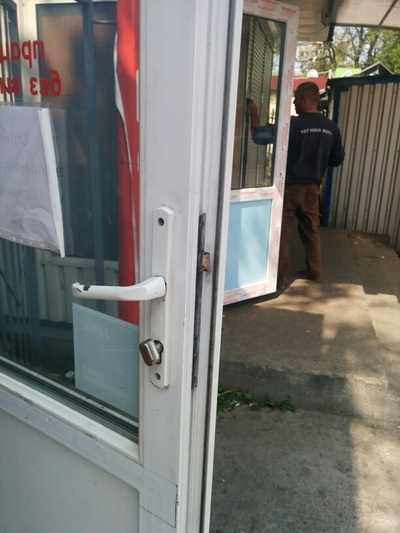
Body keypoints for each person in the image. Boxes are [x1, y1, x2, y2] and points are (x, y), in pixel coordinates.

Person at [277, 81, 345, 290]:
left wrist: (253, 117)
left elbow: (263, 138)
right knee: (311, 231)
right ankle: (315, 272)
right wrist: (318, 161)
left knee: (283, 232)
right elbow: (337, 159)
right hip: (312, 188)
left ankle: (280, 279)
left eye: (296, 98)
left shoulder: (292, 125)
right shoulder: (331, 128)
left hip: (290, 187)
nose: (294, 102)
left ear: (305, 99)